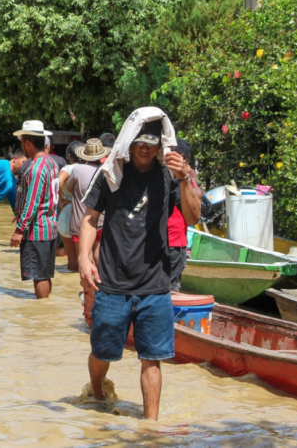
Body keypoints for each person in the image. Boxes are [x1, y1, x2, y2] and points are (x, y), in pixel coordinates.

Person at [78, 117, 201, 421]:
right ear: (130, 141)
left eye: (152, 143)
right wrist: (83, 258)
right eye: (140, 142)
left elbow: (193, 217)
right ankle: (96, 394)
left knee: (153, 359)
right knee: (102, 352)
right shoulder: (110, 173)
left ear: (162, 145)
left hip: (155, 285)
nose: (145, 149)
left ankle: (151, 425)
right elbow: (90, 218)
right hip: (112, 281)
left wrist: (185, 177)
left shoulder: (170, 176)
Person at [9, 120, 60, 299]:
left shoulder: (35, 168)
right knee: (45, 274)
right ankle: (46, 312)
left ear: (27, 142)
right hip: (50, 226)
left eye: (22, 141)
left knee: (38, 276)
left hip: (36, 230)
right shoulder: (52, 163)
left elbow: (33, 202)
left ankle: (41, 308)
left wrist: (19, 229)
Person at [66, 139, 109, 266]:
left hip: (81, 221)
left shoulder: (78, 169)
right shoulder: (105, 170)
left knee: (85, 260)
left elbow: (69, 187)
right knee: (99, 257)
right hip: (102, 220)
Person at [167, 139, 202, 291]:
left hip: (174, 244)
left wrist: (188, 177)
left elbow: (197, 201)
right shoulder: (172, 176)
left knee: (170, 291)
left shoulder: (184, 179)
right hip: (168, 244)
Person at [58, 140, 85, 271]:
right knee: (83, 257)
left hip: (67, 211)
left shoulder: (68, 168)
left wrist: (61, 200)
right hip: (82, 212)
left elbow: (59, 182)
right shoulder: (88, 168)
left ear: (69, 156)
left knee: (72, 258)